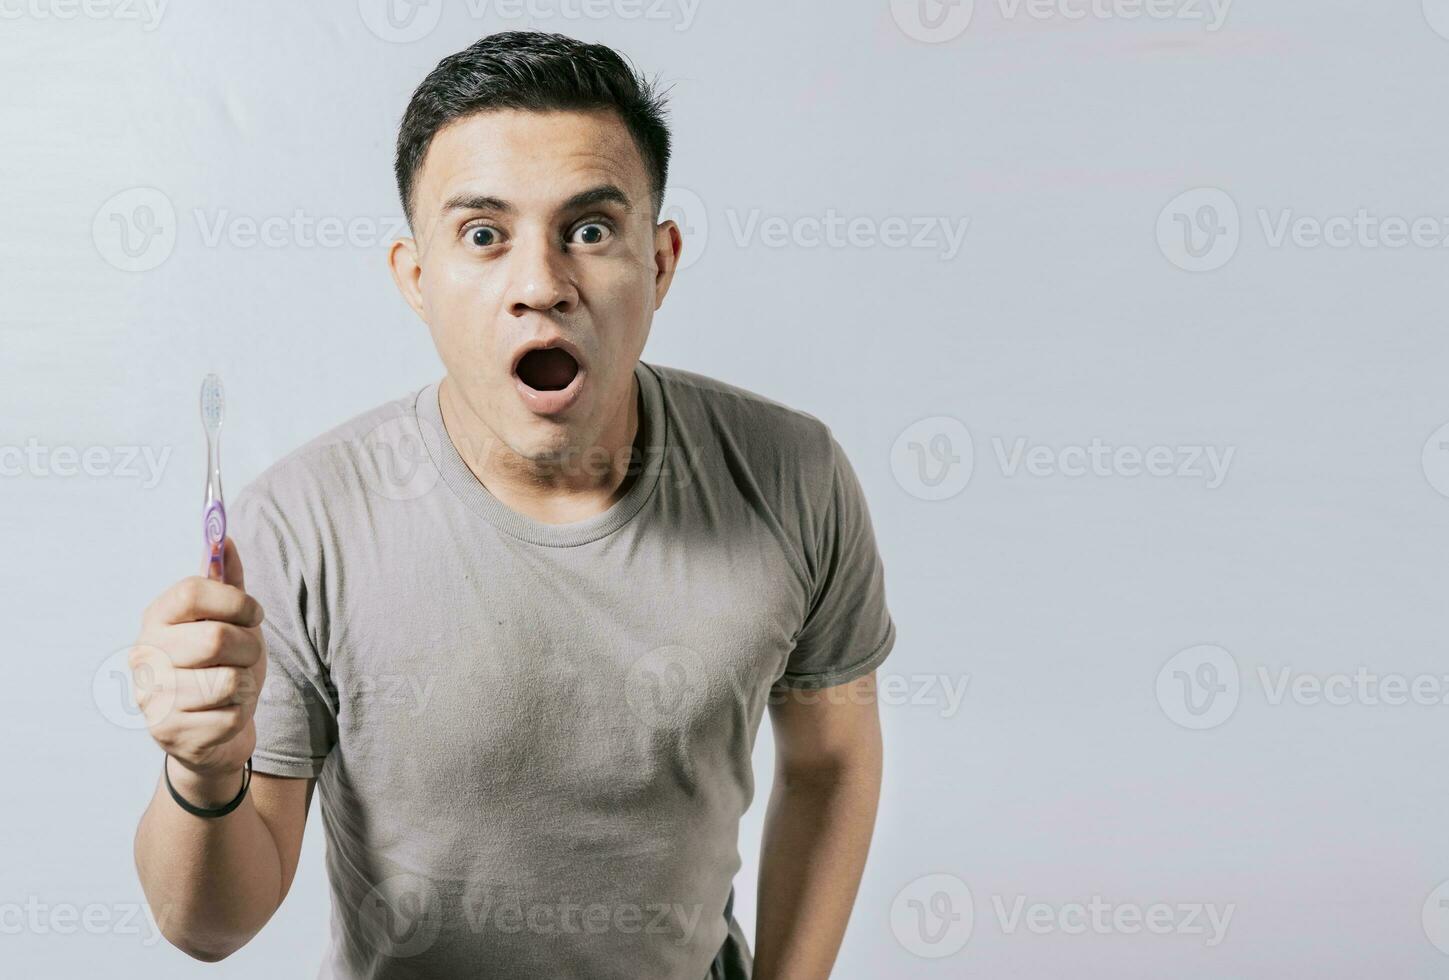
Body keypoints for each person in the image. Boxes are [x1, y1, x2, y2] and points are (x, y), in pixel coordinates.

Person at [128, 30, 896, 980]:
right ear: (417, 278)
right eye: (483, 236)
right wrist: (203, 772)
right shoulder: (301, 525)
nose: (540, 286)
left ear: (659, 263)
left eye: (588, 230)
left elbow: (830, 760)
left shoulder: (792, 475)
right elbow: (209, 927)